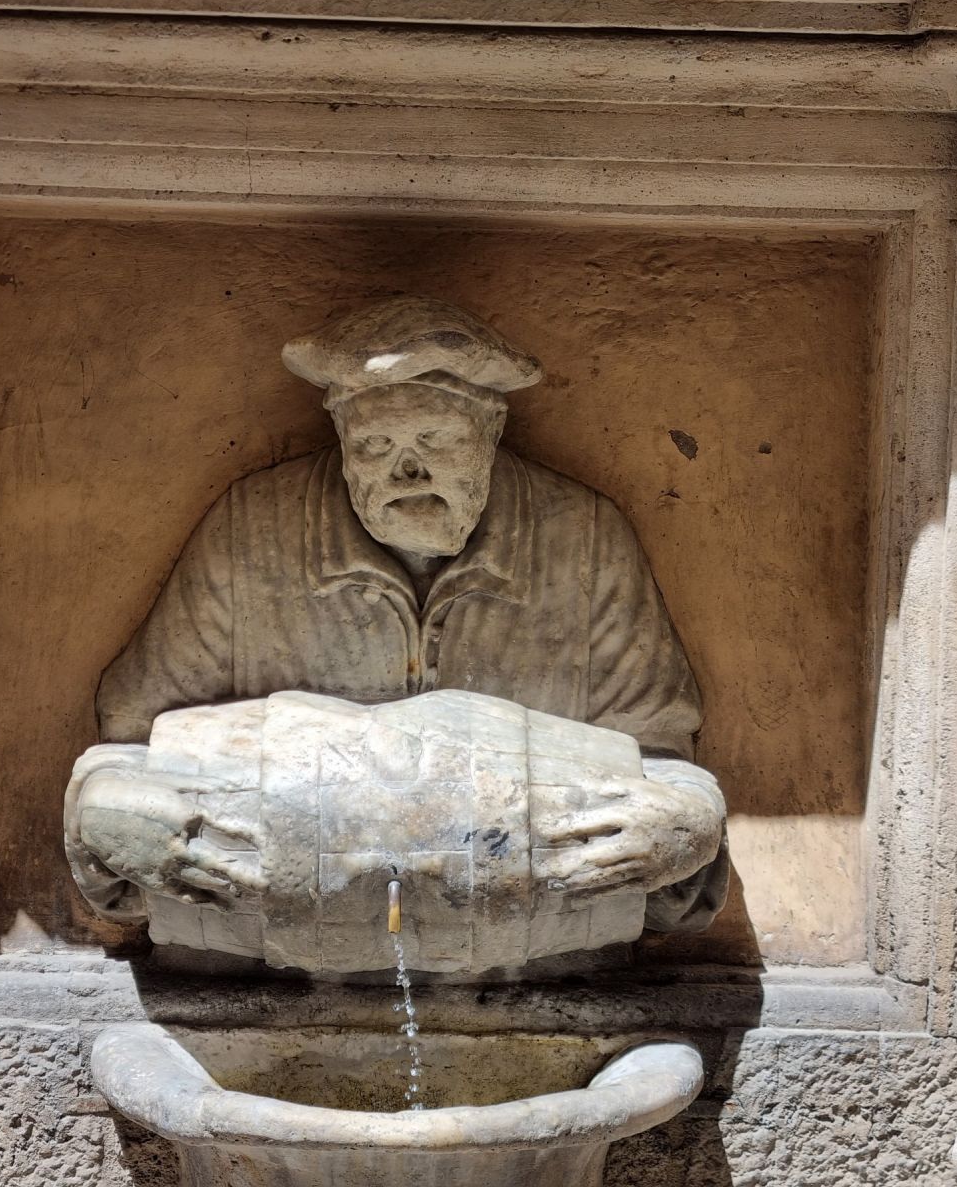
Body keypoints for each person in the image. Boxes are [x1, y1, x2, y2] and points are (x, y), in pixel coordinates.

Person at [68, 296, 728, 936]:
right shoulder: (252, 534)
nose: (407, 469)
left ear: (492, 433)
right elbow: (129, 754)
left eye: (435, 439)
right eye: (376, 444)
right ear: (342, 441)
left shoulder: (583, 541)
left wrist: (687, 826)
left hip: (523, 962)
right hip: (288, 962)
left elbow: (658, 767)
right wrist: (109, 812)